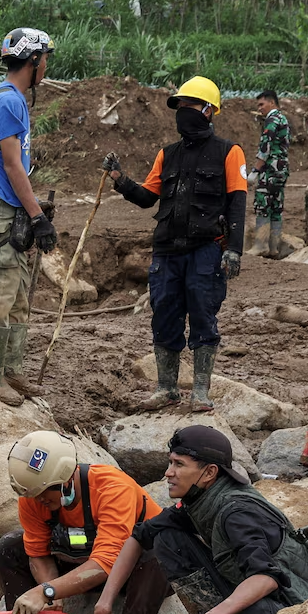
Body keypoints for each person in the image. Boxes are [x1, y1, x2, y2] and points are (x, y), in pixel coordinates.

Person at [99, 425, 308, 614]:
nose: (168, 473)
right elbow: (139, 536)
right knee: (166, 538)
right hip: (253, 597)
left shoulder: (237, 512)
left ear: (209, 472)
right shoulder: (201, 500)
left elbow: (267, 577)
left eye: (179, 464)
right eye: (170, 463)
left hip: (291, 613)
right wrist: (104, 606)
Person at [105, 76, 249, 413]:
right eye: (179, 106)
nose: (182, 112)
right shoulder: (166, 154)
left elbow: (238, 203)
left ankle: (200, 392)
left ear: (209, 111)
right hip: (167, 251)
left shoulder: (229, 151)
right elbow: (146, 197)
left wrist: (234, 249)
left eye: (189, 106)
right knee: (165, 316)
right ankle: (166, 388)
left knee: (203, 315)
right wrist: (120, 181)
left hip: (207, 250)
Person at [0, 430, 166, 614]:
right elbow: (38, 553)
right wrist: (51, 595)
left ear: (65, 477)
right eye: (34, 495)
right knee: (9, 548)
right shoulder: (34, 497)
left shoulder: (111, 487)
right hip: (78, 558)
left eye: (45, 492)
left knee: (159, 546)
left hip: (133, 571)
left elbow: (108, 561)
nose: (40, 500)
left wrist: (46, 591)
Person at [0, 29, 62, 405]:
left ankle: (11, 370)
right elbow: (11, 165)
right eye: (45, 59)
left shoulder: (15, 100)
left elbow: (16, 165)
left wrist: (32, 207)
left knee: (20, 291)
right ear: (33, 60)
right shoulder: (8, 103)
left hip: (13, 207)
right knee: (3, 289)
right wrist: (38, 215)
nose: (47, 67)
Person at [250, 90, 291, 259]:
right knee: (276, 206)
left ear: (272, 103)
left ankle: (261, 245)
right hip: (281, 169)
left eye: (262, 104)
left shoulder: (272, 120)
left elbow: (265, 148)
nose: (259, 108)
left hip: (270, 170)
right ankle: (274, 248)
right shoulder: (283, 119)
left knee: (263, 204)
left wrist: (254, 171)